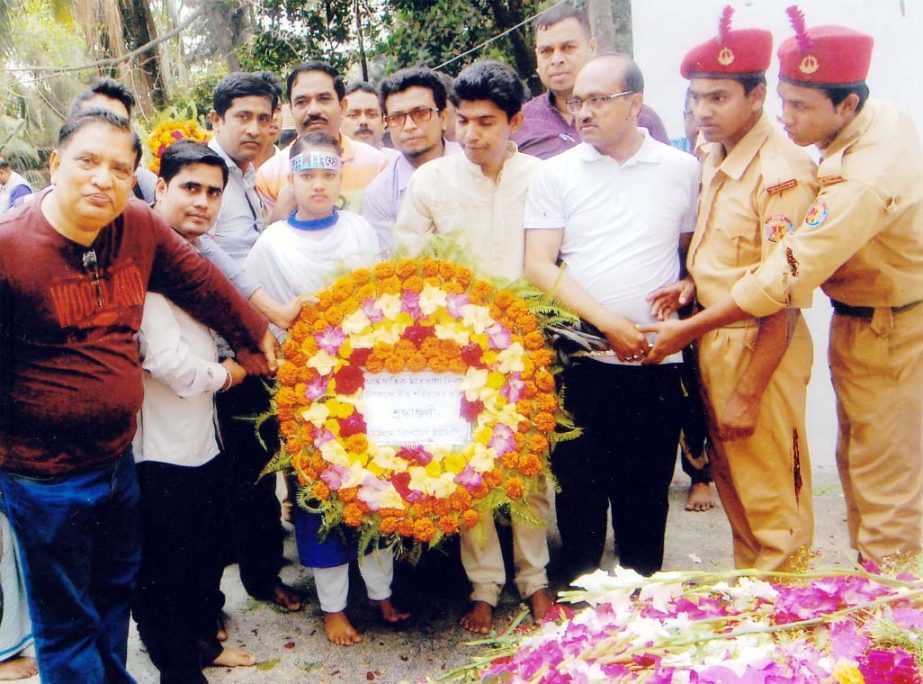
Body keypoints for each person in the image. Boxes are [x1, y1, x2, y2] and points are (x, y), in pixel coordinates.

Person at [0, 109, 274, 683]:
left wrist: (256, 337)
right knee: (66, 617)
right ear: (55, 164)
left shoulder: (138, 227)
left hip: (116, 462)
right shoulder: (11, 250)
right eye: (88, 161)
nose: (103, 178)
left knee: (115, 593)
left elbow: (202, 283)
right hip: (43, 477)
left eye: (120, 168)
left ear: (134, 179)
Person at [642, 9, 923, 566]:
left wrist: (690, 331)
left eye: (800, 105)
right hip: (857, 318)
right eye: (786, 100)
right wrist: (693, 283)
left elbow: (784, 278)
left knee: (879, 492)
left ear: (847, 104)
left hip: (888, 327)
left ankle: (890, 628)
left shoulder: (837, 179)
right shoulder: (869, 120)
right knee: (845, 470)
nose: (785, 115)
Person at [523, 54, 699, 582]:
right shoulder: (556, 174)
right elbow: (537, 263)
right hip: (584, 357)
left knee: (646, 490)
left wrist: (689, 284)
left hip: (657, 359)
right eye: (577, 101)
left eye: (599, 100)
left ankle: (640, 609)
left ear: (636, 104)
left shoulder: (681, 169)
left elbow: (693, 252)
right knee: (579, 487)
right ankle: (577, 601)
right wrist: (607, 323)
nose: (582, 112)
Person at [396, 60, 554, 634]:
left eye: (485, 122)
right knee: (470, 465)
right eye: (461, 120)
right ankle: (483, 585)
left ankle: (535, 578)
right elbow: (407, 268)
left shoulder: (543, 177)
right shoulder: (430, 181)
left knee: (528, 464)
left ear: (516, 120)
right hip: (456, 350)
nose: (469, 135)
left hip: (530, 345)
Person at [659, 8, 818, 569]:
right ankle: (759, 619)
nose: (703, 110)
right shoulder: (713, 152)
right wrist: (689, 280)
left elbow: (788, 297)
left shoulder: (784, 172)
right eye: (697, 97)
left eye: (718, 97)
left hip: (758, 349)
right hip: (713, 340)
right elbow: (722, 251)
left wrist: (749, 391)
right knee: (738, 495)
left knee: (775, 502)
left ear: (757, 95)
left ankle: (792, 627)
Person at [244, 131, 409, 645]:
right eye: (307, 175)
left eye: (328, 174)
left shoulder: (361, 230)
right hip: (307, 388)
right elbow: (261, 313)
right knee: (319, 495)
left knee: (377, 487)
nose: (318, 185)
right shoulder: (272, 243)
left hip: (368, 382)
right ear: (290, 179)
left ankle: (381, 591)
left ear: (342, 176)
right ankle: (334, 606)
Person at [133, 141, 257, 683]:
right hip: (158, 445)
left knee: (203, 552)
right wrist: (233, 373)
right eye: (189, 188)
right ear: (160, 189)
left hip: (201, 437)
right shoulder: (146, 263)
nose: (203, 202)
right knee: (166, 569)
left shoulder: (195, 257)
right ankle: (180, 669)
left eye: (213, 193)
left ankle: (202, 645)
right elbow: (171, 366)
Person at [202, 71, 304, 614]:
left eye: (265, 117)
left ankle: (267, 562)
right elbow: (217, 261)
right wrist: (266, 324)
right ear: (215, 119)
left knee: (263, 461)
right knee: (252, 469)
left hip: (259, 341)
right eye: (243, 116)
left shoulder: (246, 175)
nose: (256, 128)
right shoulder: (208, 175)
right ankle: (262, 579)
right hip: (236, 346)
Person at [512, 4, 669, 159]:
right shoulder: (519, 123)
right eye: (546, 51)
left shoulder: (635, 115)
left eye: (567, 48)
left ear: (592, 47)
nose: (556, 60)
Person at [256, 61, 387, 219]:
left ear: (343, 106)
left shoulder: (378, 165)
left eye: (324, 99)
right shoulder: (269, 174)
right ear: (291, 110)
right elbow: (269, 239)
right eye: (301, 102)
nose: (313, 110)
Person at [363, 68, 462, 250]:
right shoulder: (380, 193)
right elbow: (392, 264)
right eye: (396, 117)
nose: (409, 126)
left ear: (443, 118)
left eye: (421, 113)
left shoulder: (474, 166)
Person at [68, 77, 158, 204]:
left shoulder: (145, 185)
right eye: (96, 119)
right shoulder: (35, 216)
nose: (102, 181)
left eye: (118, 123)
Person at [342, 81, 387, 149]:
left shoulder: (396, 159)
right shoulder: (326, 158)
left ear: (383, 122)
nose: (363, 121)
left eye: (372, 115)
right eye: (353, 115)